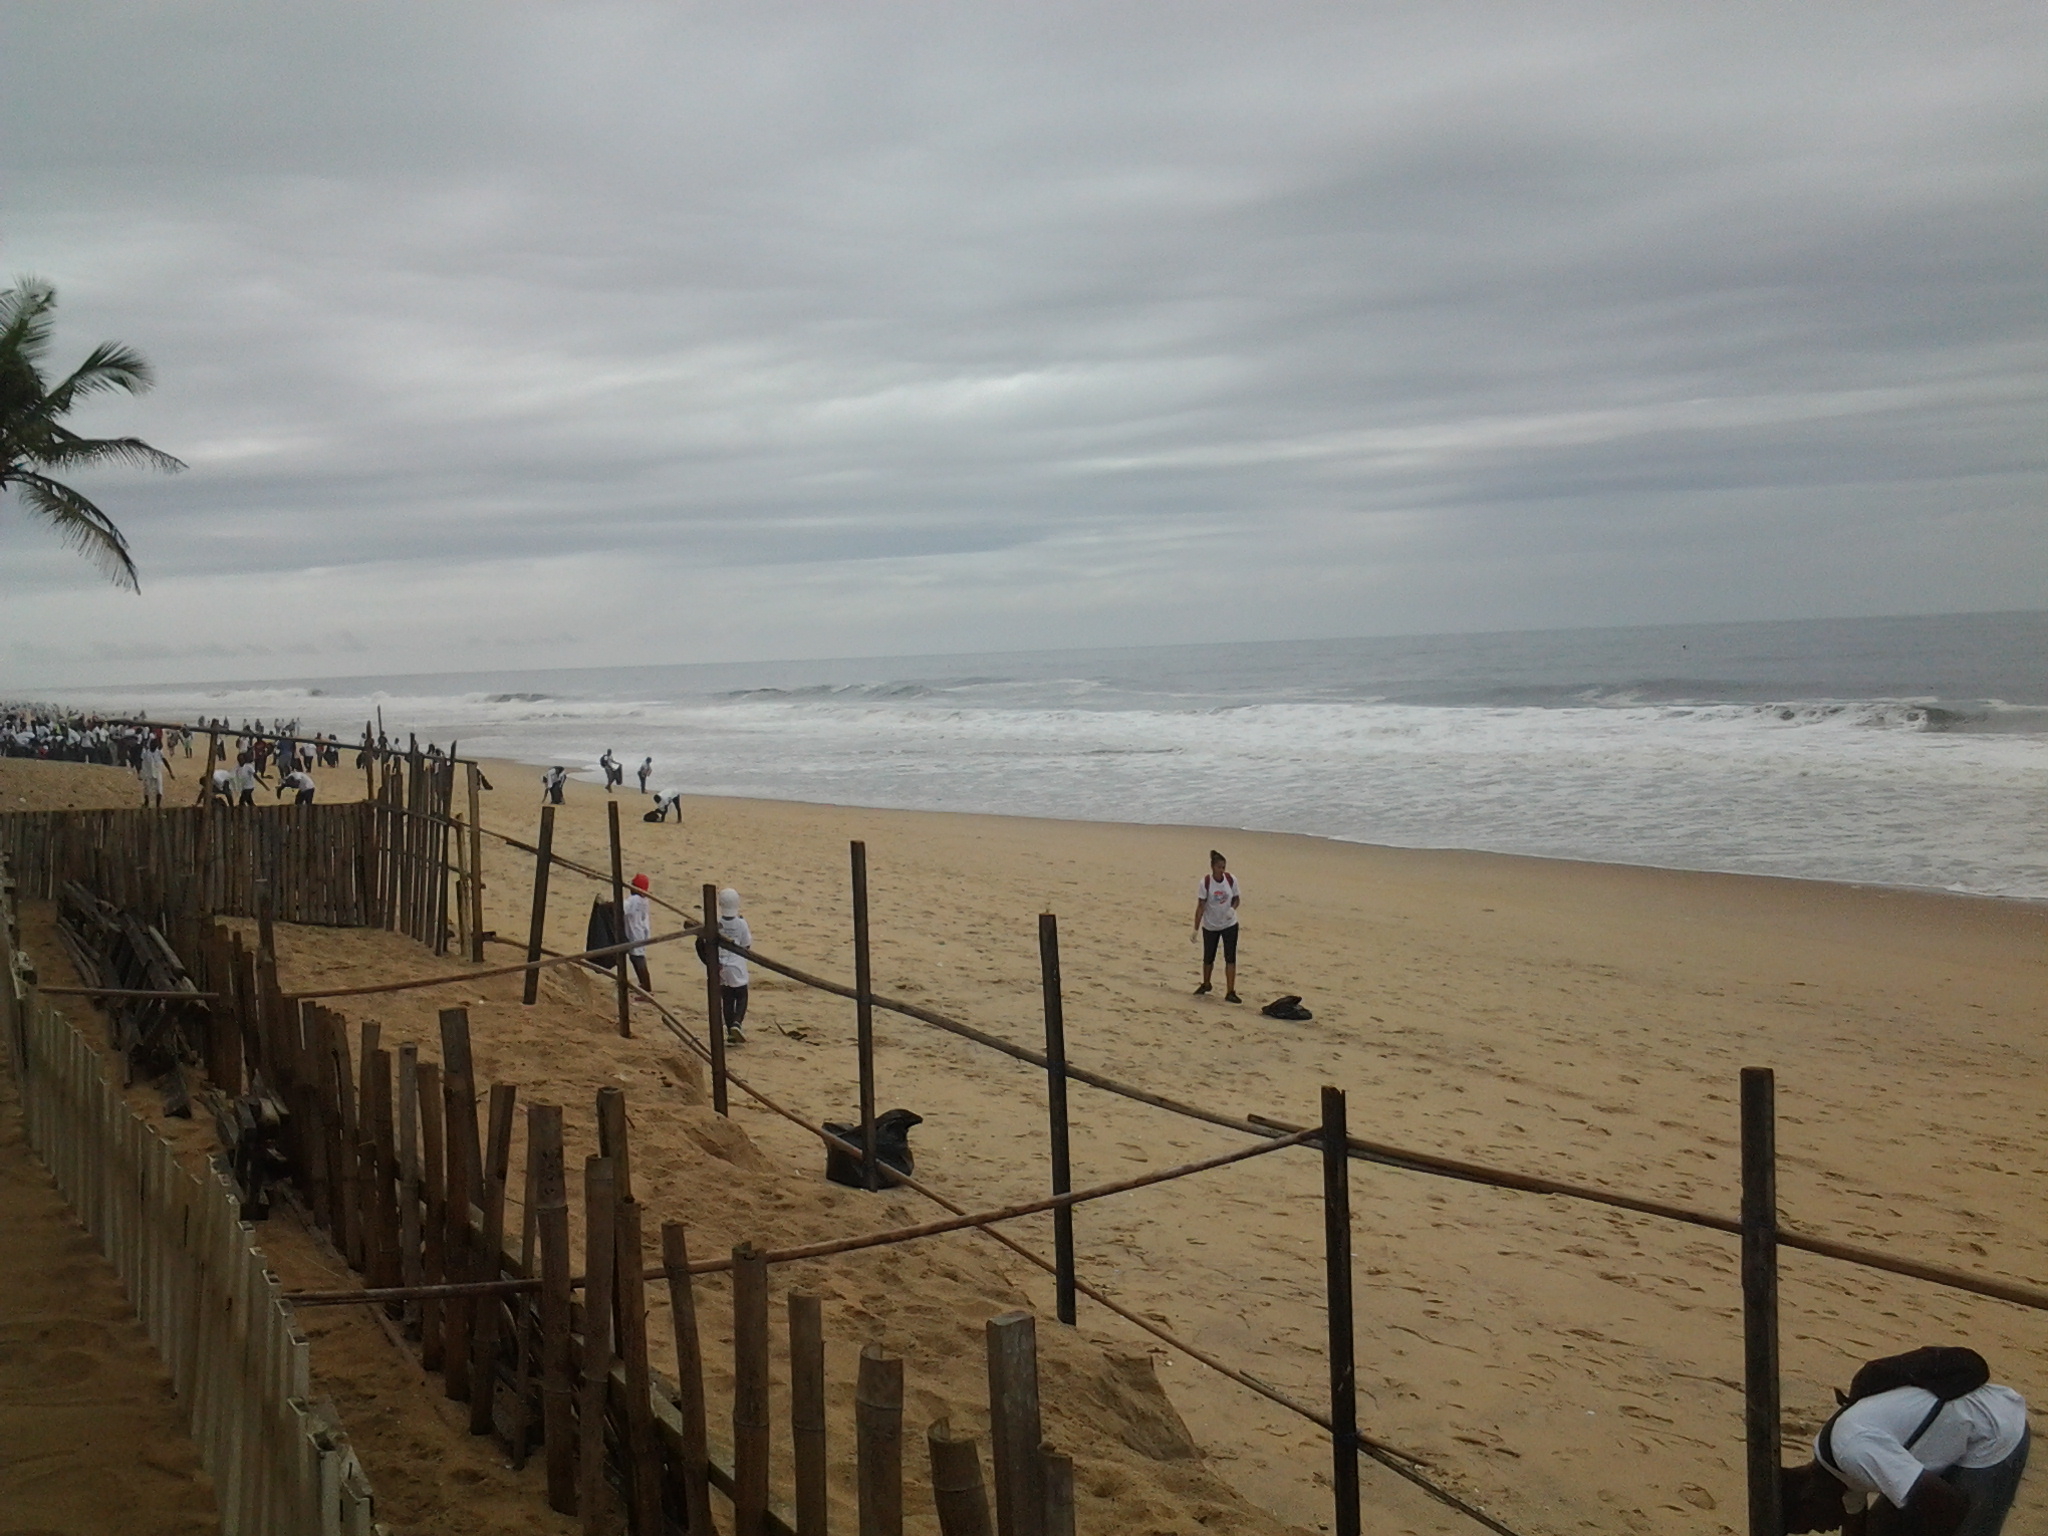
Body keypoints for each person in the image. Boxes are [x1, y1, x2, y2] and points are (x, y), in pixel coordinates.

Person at [1784, 1373, 2029, 1536]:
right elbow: (1855, 1523)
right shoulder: (1834, 1473)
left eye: (1813, 1524)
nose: (1824, 1530)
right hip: (1946, 1439)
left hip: (1993, 1429)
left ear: (1809, 1496)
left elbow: (1949, 1508)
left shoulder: (1854, 1453)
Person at [1190, 848, 1241, 1002]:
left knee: (1230, 957)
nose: (1222, 870)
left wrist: (1232, 910)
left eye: (1224, 867)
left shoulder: (1231, 880)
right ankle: (1206, 983)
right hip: (1211, 925)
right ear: (1213, 867)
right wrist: (1195, 929)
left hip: (1229, 924)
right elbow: (1201, 906)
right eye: (1219, 867)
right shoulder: (1205, 883)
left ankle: (1230, 991)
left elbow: (1237, 898)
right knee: (1208, 957)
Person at [716, 887, 752, 1045]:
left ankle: (730, 1028)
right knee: (742, 995)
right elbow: (746, 944)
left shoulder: (717, 924)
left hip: (722, 965)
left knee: (728, 999)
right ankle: (737, 1022)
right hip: (737, 965)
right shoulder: (741, 923)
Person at [622, 873, 653, 992]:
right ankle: (643, 984)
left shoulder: (634, 900)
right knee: (637, 958)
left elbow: (622, 908)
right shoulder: (644, 900)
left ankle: (646, 987)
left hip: (634, 934)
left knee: (637, 959)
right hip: (641, 932)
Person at [138, 736, 174, 808]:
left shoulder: (159, 752)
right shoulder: (145, 752)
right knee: (147, 788)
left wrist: (170, 772)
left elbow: (165, 761)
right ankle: (146, 802)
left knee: (159, 788)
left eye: (155, 744)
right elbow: (140, 761)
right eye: (152, 744)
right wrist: (139, 772)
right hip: (148, 772)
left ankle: (158, 805)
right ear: (150, 744)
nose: (153, 745)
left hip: (157, 772)